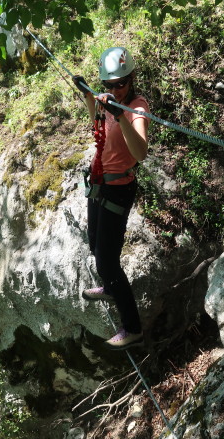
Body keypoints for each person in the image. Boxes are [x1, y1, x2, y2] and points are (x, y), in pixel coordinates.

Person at [73, 47, 150, 350]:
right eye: (109, 85)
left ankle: (132, 328)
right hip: (100, 183)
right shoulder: (109, 101)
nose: (116, 89)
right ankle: (109, 287)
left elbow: (140, 152)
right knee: (94, 243)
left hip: (119, 188)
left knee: (107, 258)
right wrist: (88, 96)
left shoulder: (138, 107)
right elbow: (96, 120)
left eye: (122, 83)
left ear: (132, 79)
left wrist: (122, 115)